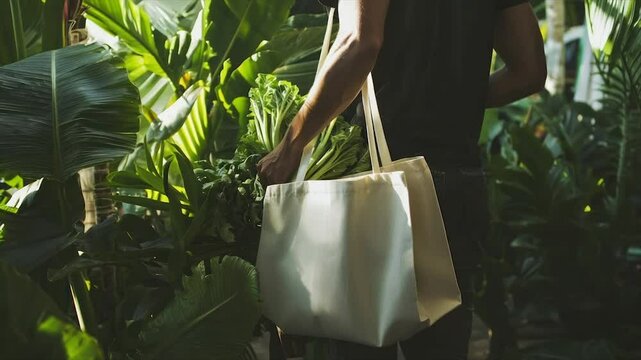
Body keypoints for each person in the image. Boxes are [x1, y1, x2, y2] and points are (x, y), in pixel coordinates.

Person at [257, 0, 546, 359]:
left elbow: (360, 41)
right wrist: (454, 97)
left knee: (357, 344)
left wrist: (291, 144)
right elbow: (530, 71)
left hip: (378, 187)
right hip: (456, 182)